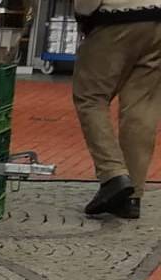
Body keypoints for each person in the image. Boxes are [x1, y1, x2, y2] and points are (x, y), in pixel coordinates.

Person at [73, 0, 161, 218]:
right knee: (142, 105)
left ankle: (113, 175)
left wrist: (82, 15)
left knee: (91, 97)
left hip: (115, 18)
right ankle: (132, 196)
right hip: (158, 21)